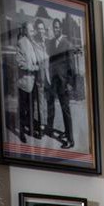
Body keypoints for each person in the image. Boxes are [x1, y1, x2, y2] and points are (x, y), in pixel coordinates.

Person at [45, 17, 74, 148]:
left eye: (57, 27)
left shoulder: (67, 44)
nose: (55, 29)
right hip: (53, 80)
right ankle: (56, 130)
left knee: (65, 109)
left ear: (61, 28)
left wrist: (69, 83)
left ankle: (70, 140)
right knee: (51, 105)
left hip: (63, 82)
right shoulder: (51, 43)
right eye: (54, 27)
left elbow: (71, 65)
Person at [13, 23, 44, 143]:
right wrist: (34, 68)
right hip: (24, 84)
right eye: (31, 31)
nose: (33, 33)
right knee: (22, 110)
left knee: (31, 109)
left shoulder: (33, 42)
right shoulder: (21, 42)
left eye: (33, 31)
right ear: (25, 31)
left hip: (33, 82)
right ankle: (21, 133)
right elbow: (20, 63)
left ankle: (30, 130)